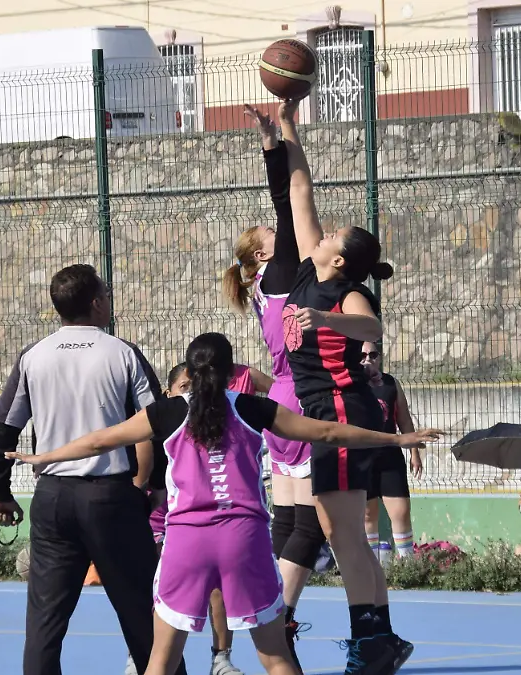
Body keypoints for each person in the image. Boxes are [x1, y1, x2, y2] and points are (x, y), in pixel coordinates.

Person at [5, 333, 441, 675]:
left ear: (190, 371)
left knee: (158, 662)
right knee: (275, 658)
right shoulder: (252, 407)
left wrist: (45, 456)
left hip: (186, 543)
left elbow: (101, 439)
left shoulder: (169, 412)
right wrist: (396, 438)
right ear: (232, 369)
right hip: (244, 538)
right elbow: (327, 433)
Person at [272, 95, 409, 674]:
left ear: (341, 258)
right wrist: (285, 129)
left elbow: (372, 326)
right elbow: (300, 193)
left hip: (345, 414)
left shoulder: (345, 293)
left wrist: (327, 321)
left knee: (341, 531)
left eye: (336, 235)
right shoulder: (310, 270)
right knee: (344, 529)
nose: (325, 233)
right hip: (329, 415)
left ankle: (373, 643)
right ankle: (382, 637)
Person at [0, 263, 177, 675]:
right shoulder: (122, 352)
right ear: (95, 303)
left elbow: (4, 432)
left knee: (44, 624)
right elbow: (157, 422)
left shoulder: (33, 356)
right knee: (143, 616)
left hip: (53, 498)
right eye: (105, 294)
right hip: (110, 496)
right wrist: (158, 484)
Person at [223, 103, 326, 669]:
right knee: (308, 525)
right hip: (302, 397)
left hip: (279, 402)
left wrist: (274, 142)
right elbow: (290, 201)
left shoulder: (264, 281)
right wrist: (276, 143)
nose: (274, 229)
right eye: (268, 233)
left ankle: (273, 612)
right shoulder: (282, 270)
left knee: (286, 519)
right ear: (263, 251)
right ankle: (276, 617)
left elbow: (284, 207)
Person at [158, 361, 271, 675]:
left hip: (221, 530)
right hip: (173, 524)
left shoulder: (232, 421)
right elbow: (104, 441)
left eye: (193, 386)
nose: (191, 394)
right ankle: (137, 651)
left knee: (219, 589)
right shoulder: (166, 422)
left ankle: (221, 657)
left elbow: (324, 429)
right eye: (184, 389)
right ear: (169, 393)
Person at [360, 342, 422, 561]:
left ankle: (408, 566)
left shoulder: (391, 383)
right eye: (363, 355)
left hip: (390, 456)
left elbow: (404, 419)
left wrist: (414, 452)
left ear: (379, 357)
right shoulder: (353, 384)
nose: (368, 359)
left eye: (373, 354)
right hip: (362, 458)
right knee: (368, 514)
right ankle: (373, 566)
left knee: (401, 511)